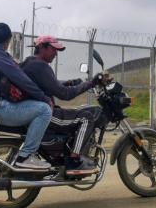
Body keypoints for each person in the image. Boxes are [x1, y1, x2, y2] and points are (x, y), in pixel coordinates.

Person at [0, 23, 54, 170]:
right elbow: (19, 76)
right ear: (6, 40)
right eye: (9, 42)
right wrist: (44, 97)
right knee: (44, 110)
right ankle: (26, 156)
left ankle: (25, 151)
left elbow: (18, 67)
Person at [22, 35, 101, 175]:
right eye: (53, 49)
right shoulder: (41, 66)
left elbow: (50, 86)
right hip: (44, 113)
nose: (56, 54)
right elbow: (65, 94)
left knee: (75, 114)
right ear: (42, 48)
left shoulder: (30, 63)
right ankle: (74, 161)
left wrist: (70, 83)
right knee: (86, 117)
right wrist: (91, 83)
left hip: (32, 109)